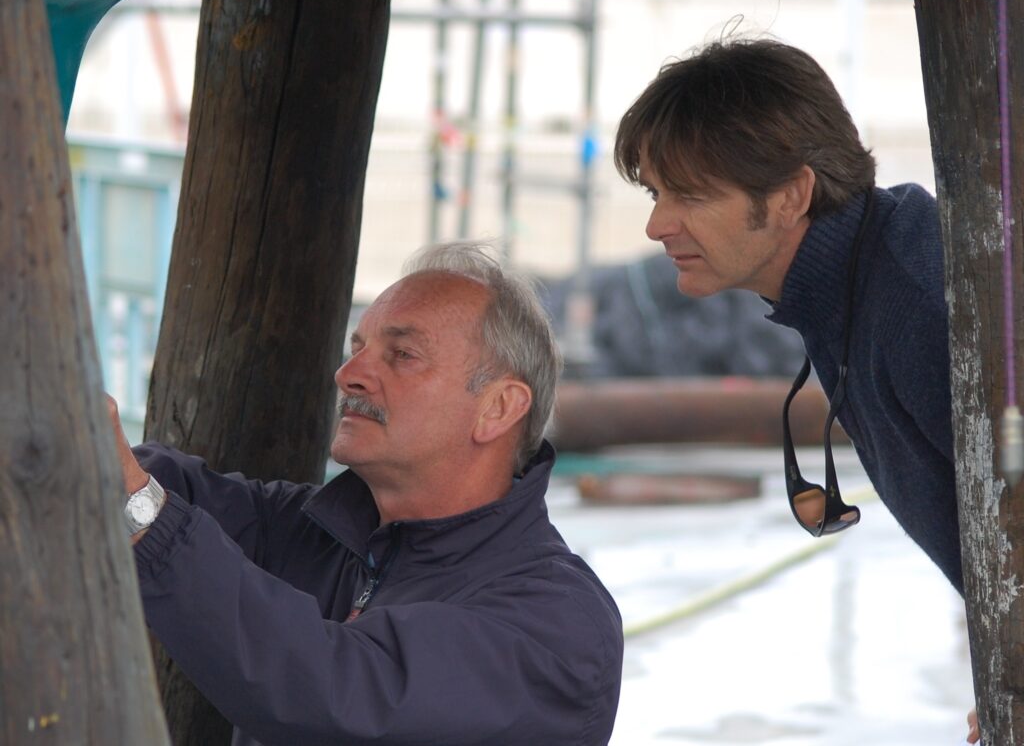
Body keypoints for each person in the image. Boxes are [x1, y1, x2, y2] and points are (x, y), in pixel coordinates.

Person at [109, 241, 624, 746]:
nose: (348, 375)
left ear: (498, 408)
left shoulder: (557, 625)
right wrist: (95, 449)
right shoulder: (327, 534)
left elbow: (339, 697)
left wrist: (141, 512)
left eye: (402, 355)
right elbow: (185, 490)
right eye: (358, 349)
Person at [614, 37, 977, 743]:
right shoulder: (859, 280)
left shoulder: (921, 302)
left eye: (690, 195)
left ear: (790, 197)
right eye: (658, 193)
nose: (657, 226)